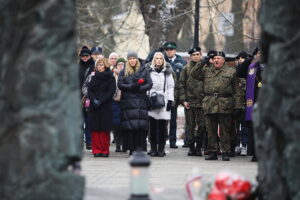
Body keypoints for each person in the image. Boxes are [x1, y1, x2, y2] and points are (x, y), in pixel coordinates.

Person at [191, 51, 239, 161]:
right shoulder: (207, 70)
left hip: (225, 103)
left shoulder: (231, 71)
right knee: (210, 129)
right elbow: (194, 73)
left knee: (225, 130)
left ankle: (226, 151)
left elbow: (237, 90)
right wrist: (203, 61)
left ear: (223, 60)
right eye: (215, 58)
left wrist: (237, 106)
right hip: (210, 102)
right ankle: (212, 151)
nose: (216, 60)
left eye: (218, 58)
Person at [118, 50, 153, 155]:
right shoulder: (123, 71)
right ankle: (131, 149)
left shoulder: (144, 70)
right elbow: (120, 84)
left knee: (140, 126)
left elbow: (150, 83)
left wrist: (140, 88)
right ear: (127, 60)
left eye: (134, 58)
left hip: (140, 101)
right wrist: (130, 87)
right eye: (130, 59)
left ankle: (140, 149)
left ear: (136, 59)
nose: (132, 60)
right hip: (128, 102)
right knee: (130, 126)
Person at [236, 48, 264, 162]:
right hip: (254, 102)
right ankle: (255, 153)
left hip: (268, 103)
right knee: (254, 129)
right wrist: (250, 60)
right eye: (258, 53)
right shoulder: (251, 66)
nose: (261, 55)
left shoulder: (273, 65)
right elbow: (239, 72)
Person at [145, 52, 174, 157]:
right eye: (156, 58)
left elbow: (171, 87)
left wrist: (170, 100)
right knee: (152, 126)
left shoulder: (167, 72)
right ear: (154, 60)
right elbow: (145, 85)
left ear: (163, 60)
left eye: (160, 58)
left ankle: (161, 149)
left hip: (163, 100)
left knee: (162, 127)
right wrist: (146, 99)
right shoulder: (149, 71)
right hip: (151, 99)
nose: (158, 60)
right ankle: (153, 148)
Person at [179, 47, 206, 156]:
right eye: (194, 55)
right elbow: (181, 84)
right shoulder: (186, 68)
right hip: (190, 102)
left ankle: (199, 147)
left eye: (197, 54)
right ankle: (191, 147)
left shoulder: (205, 68)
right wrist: (183, 100)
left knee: (202, 126)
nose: (196, 56)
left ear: (201, 55)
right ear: (191, 56)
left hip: (202, 101)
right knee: (190, 126)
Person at [88, 58, 116, 157]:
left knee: (104, 128)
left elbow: (111, 91)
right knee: (95, 128)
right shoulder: (93, 76)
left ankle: (104, 150)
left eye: (101, 65)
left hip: (105, 105)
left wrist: (101, 100)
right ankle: (96, 150)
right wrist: (93, 100)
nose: (99, 67)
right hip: (94, 106)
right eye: (98, 65)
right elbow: (89, 89)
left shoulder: (110, 77)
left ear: (105, 65)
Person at [163, 42, 187, 148]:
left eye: (171, 49)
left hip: (177, 93)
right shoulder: (161, 60)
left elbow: (185, 79)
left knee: (173, 119)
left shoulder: (181, 62)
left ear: (175, 50)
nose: (169, 51)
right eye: (167, 50)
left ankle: (172, 141)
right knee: (162, 119)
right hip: (165, 94)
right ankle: (162, 140)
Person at [78, 46, 94, 150]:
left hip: (89, 96)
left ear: (90, 56)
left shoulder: (94, 66)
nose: (84, 57)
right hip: (78, 97)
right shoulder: (76, 67)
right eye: (83, 56)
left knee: (89, 120)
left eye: (86, 55)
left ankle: (89, 141)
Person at [112, 58, 126, 152]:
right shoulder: (112, 75)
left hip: (125, 102)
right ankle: (118, 144)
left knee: (125, 125)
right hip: (114, 101)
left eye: (122, 64)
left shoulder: (127, 74)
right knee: (116, 124)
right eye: (119, 64)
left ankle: (125, 145)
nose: (121, 66)